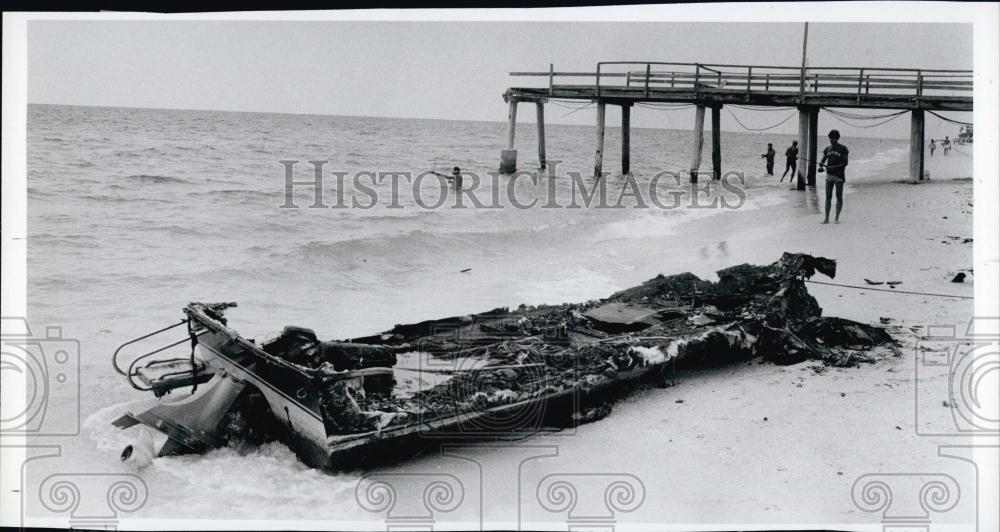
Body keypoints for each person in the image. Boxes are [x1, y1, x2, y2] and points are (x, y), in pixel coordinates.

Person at [818, 129, 849, 224]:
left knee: (838, 196)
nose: (832, 140)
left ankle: (836, 218)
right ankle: (826, 218)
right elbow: (822, 161)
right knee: (828, 197)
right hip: (829, 175)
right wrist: (821, 166)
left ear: (837, 138)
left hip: (839, 175)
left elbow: (845, 162)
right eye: (830, 138)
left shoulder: (843, 148)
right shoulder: (827, 149)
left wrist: (834, 167)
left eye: (834, 138)